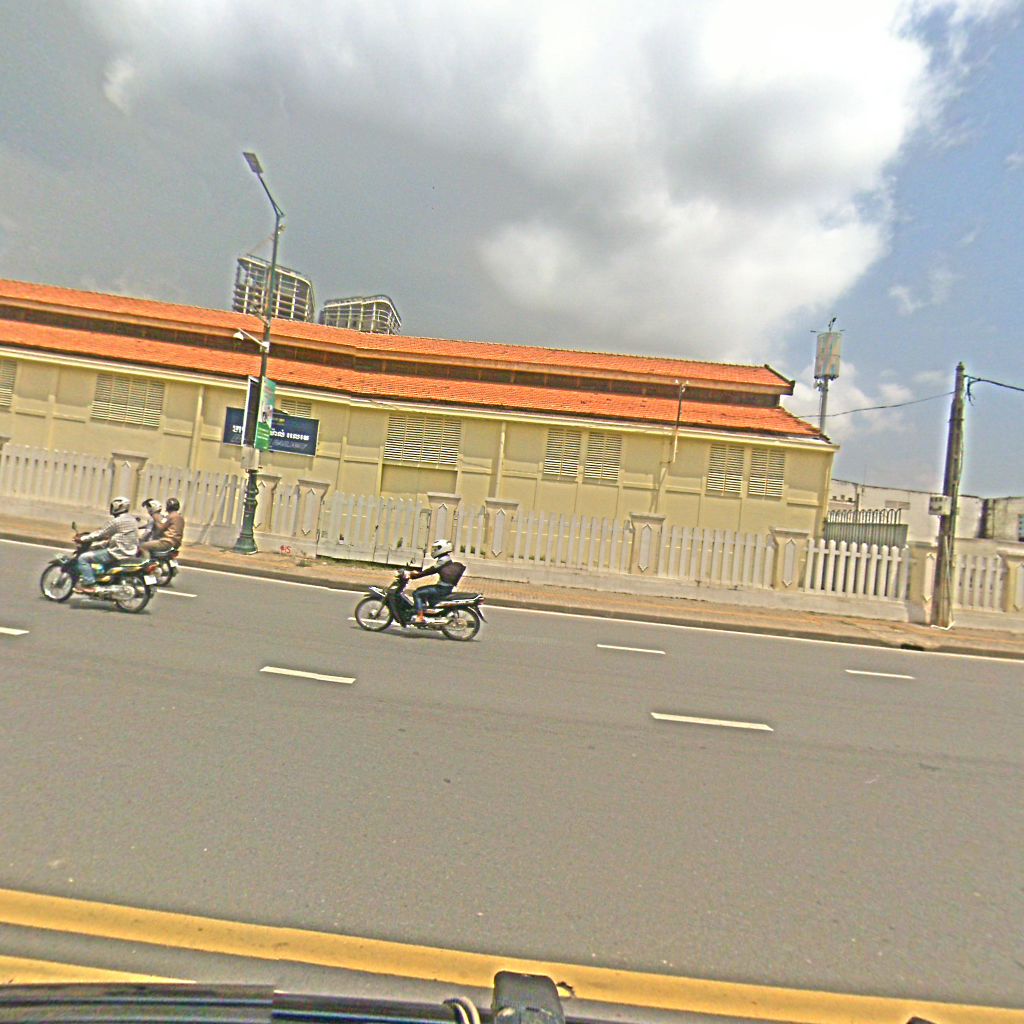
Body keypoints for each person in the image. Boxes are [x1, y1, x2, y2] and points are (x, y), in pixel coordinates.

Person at [73, 495, 140, 593]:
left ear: (117, 507)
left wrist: (82, 538)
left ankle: (89, 584)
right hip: (130, 551)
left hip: (117, 553)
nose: (111, 508)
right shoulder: (132, 520)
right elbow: (115, 537)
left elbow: (100, 534)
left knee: (83, 558)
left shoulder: (116, 521)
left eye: (112, 506)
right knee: (99, 549)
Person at [410, 539, 466, 624]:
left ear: (442, 548)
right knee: (424, 592)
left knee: (417, 593)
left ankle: (420, 617)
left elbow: (430, 571)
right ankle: (424, 611)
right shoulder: (446, 559)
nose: (434, 551)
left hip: (442, 589)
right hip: (445, 587)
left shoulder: (443, 560)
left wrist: (415, 576)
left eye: (436, 549)